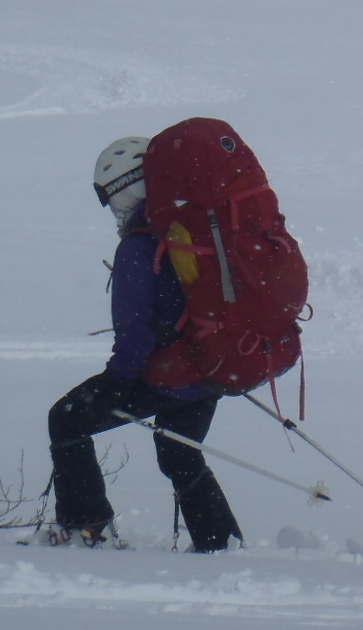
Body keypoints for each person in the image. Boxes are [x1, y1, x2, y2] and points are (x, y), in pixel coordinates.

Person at [45, 136, 243, 551]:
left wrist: (116, 382)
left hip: (171, 374)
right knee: (179, 449)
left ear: (131, 187)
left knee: (66, 419)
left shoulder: (139, 246)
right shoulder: (196, 228)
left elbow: (136, 336)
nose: (114, 210)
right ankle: (220, 542)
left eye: (113, 198)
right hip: (211, 366)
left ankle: (85, 526)